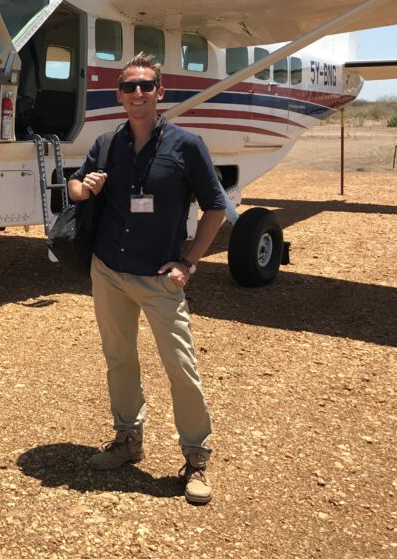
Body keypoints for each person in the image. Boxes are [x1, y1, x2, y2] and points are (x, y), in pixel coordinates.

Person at [67, 52, 227, 505]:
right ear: (119, 95)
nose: (138, 94)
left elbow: (215, 208)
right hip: (109, 271)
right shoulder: (107, 143)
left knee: (181, 367)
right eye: (129, 87)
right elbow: (75, 189)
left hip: (160, 278)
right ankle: (127, 440)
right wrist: (86, 187)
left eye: (146, 86)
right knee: (119, 360)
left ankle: (196, 458)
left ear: (161, 93)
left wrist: (189, 262)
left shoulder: (186, 145)